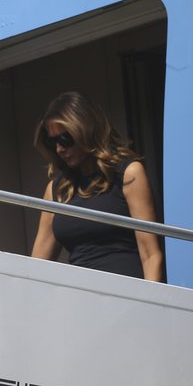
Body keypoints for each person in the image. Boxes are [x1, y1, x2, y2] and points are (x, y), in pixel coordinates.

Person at [30, 92, 164, 281]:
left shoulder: (128, 174)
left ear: (85, 130)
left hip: (126, 292)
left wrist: (150, 306)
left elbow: (151, 255)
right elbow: (36, 268)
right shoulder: (56, 190)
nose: (60, 149)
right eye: (52, 142)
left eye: (65, 138)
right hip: (81, 297)